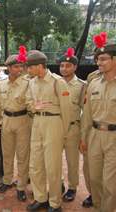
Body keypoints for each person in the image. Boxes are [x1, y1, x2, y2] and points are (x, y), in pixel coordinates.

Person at [26, 50, 71, 212]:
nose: (28, 70)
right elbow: (28, 102)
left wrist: (63, 133)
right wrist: (33, 107)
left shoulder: (57, 82)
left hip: (54, 123)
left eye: (30, 67)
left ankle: (55, 203)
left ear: (39, 66)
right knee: (35, 164)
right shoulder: (32, 82)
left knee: (52, 166)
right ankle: (40, 198)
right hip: (37, 122)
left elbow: (67, 110)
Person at [81, 34, 116, 212]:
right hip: (94, 135)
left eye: (103, 59)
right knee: (94, 179)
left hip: (113, 138)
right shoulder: (94, 83)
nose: (99, 63)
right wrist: (83, 138)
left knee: (110, 183)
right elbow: (86, 115)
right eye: (98, 59)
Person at [0, 53, 31, 201]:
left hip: (23, 120)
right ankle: (7, 181)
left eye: (21, 66)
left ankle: (21, 186)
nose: (19, 69)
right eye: (16, 66)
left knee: (23, 156)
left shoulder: (28, 82)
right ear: (9, 68)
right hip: (7, 120)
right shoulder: (1, 84)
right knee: (7, 154)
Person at [58, 48, 86, 202]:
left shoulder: (82, 85)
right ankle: (59, 183)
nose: (64, 68)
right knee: (54, 159)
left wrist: (83, 134)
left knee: (72, 160)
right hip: (56, 127)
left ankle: (73, 187)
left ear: (75, 67)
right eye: (62, 66)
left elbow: (85, 110)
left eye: (68, 66)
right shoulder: (56, 83)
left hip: (73, 128)